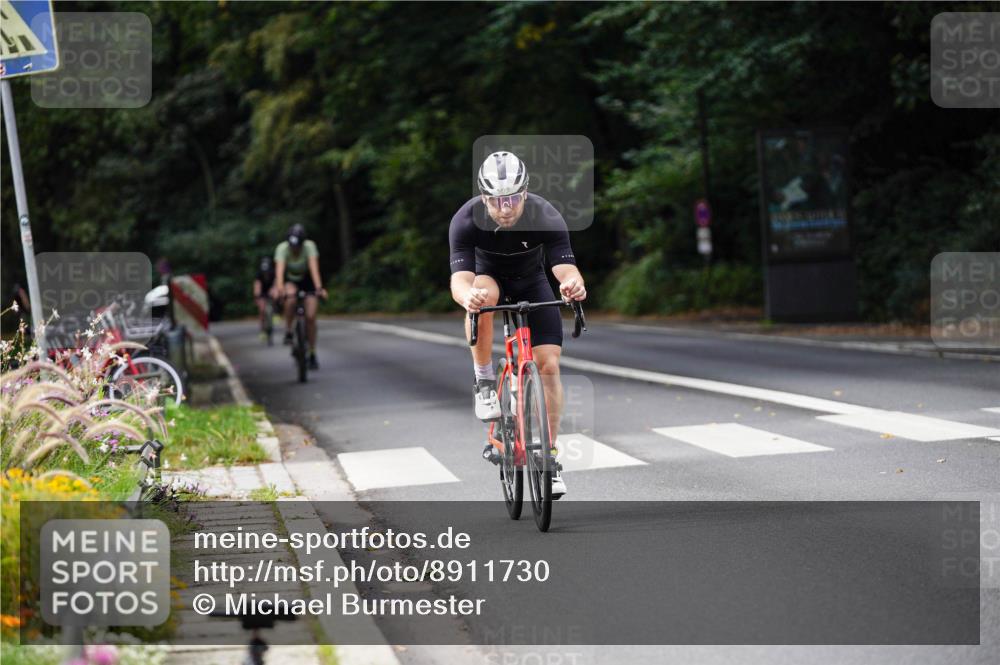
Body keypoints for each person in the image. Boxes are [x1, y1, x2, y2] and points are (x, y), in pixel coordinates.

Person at [448, 151, 587, 497]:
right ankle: (484, 381)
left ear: (524, 193)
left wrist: (573, 284)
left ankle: (549, 459)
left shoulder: (546, 215)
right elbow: (459, 280)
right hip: (489, 280)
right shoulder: (465, 220)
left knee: (549, 365)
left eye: (512, 198)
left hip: (531, 281)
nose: (505, 207)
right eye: (496, 200)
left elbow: (565, 269)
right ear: (484, 197)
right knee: (483, 295)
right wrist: (468, 298)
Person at [271, 224, 327, 369]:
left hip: (307, 279)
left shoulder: (310, 247)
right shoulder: (282, 249)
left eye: (298, 246)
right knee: (290, 299)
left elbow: (314, 270)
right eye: (292, 246)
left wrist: (319, 288)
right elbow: (279, 272)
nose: (295, 249)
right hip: (290, 280)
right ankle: (289, 331)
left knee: (311, 316)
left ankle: (312, 352)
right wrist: (280, 288)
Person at [253, 256, 276, 341]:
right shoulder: (259, 274)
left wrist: (274, 291)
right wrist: (257, 295)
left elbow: (276, 284)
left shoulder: (273, 273)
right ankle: (262, 330)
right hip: (262, 292)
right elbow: (257, 285)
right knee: (262, 310)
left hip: (270, 290)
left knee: (275, 298)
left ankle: (274, 312)